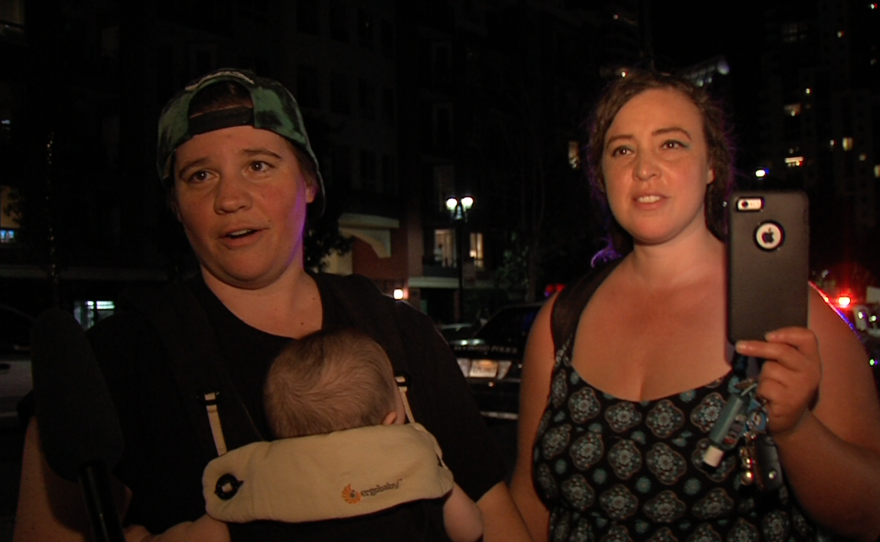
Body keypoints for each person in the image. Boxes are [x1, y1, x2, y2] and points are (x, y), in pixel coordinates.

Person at [14, 68, 531, 542]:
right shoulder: (114, 361)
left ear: (308, 184)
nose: (230, 198)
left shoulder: (403, 335)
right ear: (175, 205)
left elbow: (496, 518)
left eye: (258, 165)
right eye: (199, 175)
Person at [509, 69, 880, 542]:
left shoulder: (791, 313)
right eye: (622, 150)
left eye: (671, 144)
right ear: (601, 174)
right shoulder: (562, 319)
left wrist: (795, 427)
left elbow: (870, 514)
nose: (644, 169)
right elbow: (528, 500)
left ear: (711, 165)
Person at [125, 329, 483, 542]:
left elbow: (200, 536)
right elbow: (471, 529)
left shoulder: (262, 486)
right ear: (391, 421)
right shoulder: (415, 466)